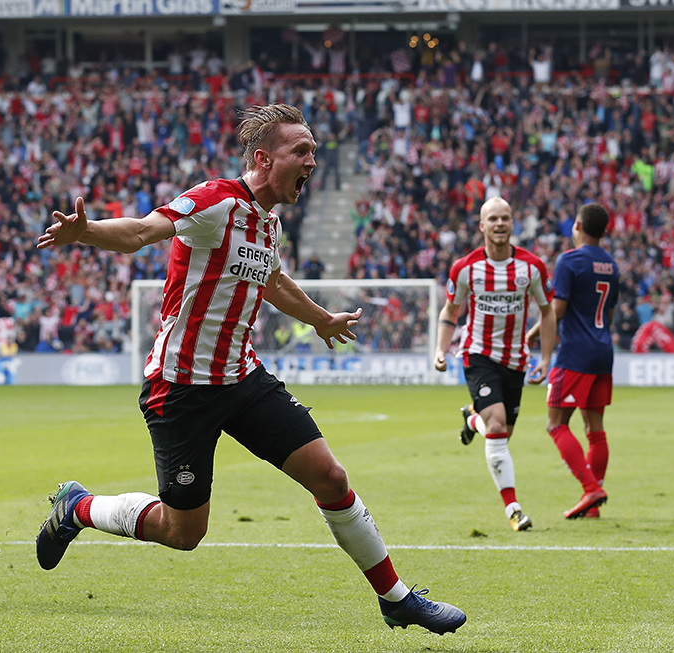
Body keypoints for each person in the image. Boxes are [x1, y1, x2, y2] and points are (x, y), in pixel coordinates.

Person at [35, 104, 466, 635]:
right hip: (181, 386)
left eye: (314, 151)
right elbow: (143, 232)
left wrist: (321, 320)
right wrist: (88, 231)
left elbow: (275, 283)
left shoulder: (268, 222)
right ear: (263, 159)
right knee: (183, 531)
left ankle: (396, 598)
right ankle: (78, 508)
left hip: (242, 377)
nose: (313, 161)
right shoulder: (214, 201)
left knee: (330, 477)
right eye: (301, 151)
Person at [434, 196, 556, 532]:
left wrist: (545, 358)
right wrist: (440, 349)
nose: (500, 224)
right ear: (482, 226)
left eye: (505, 218)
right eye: (493, 219)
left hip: (516, 360)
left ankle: (473, 421)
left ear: (512, 223)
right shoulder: (465, 268)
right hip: (478, 354)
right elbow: (450, 311)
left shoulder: (531, 267)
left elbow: (547, 312)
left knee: (500, 434)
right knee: (499, 426)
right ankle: (514, 510)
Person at [526, 203, 617, 519]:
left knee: (556, 424)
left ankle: (591, 488)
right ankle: (592, 504)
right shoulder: (612, 264)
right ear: (603, 230)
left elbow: (557, 309)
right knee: (595, 428)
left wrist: (535, 334)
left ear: (577, 225)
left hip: (575, 354)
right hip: (603, 352)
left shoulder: (569, 260)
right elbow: (610, 314)